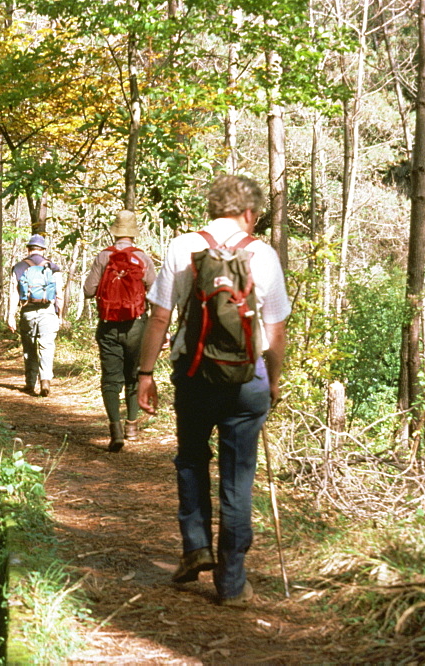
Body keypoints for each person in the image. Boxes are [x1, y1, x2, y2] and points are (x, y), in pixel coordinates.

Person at [136, 174, 290, 607]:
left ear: (212, 208)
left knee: (191, 460)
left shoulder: (182, 247)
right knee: (238, 478)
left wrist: (145, 375)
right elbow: (275, 331)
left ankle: (195, 547)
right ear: (249, 213)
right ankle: (232, 583)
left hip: (194, 373)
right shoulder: (263, 254)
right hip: (247, 379)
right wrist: (272, 380)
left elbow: (160, 319)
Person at [83, 210, 156, 451]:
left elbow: (88, 290)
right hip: (137, 324)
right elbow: (155, 294)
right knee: (134, 374)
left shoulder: (104, 256)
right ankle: (132, 426)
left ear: (114, 232)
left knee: (111, 379)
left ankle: (115, 429)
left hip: (108, 325)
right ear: (134, 234)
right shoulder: (143, 259)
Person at [7, 234, 64, 396]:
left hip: (27, 311)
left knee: (29, 347)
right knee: (47, 346)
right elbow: (59, 294)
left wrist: (11, 315)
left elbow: (14, 293)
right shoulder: (53, 267)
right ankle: (45, 381)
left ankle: (30, 382)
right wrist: (59, 315)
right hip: (48, 311)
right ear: (43, 249)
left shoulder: (18, 267)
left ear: (28, 249)